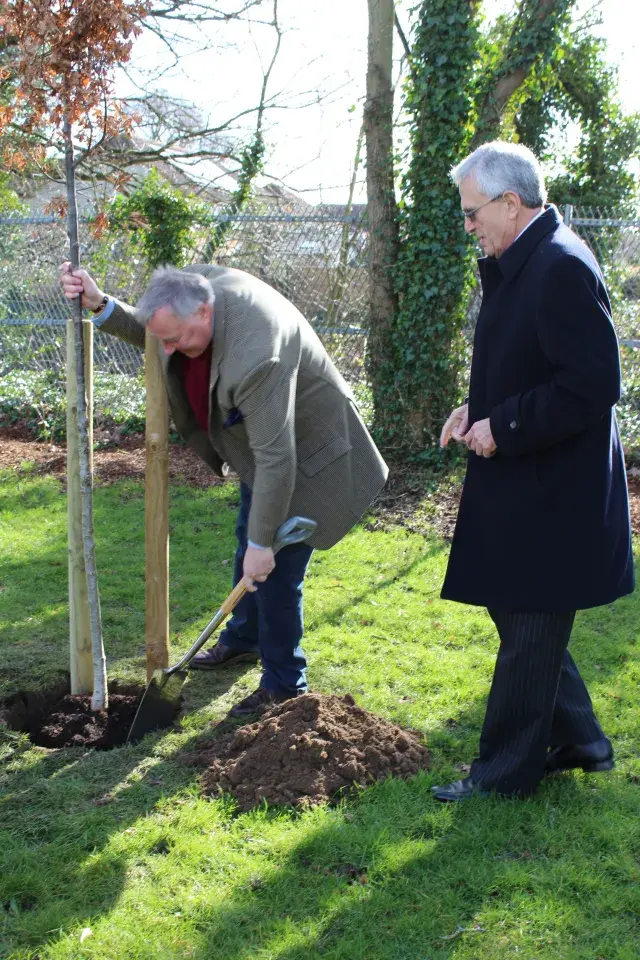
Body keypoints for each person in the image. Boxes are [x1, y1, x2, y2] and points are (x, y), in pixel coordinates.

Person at [60, 261, 388, 716]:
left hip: (311, 456)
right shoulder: (191, 294)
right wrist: (100, 305)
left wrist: (263, 545)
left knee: (274, 570)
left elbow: (278, 461)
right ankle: (243, 638)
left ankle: (284, 685)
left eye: (177, 340)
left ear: (204, 312)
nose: (170, 348)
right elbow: (160, 335)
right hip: (264, 449)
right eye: (166, 339)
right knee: (247, 540)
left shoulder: (257, 353)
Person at [435, 141, 634, 801]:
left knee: (526, 622)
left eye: (472, 214)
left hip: (557, 489)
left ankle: (502, 776)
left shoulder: (558, 266)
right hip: (531, 478)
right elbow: (532, 361)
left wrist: (508, 424)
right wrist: (477, 409)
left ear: (510, 203)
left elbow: (593, 382)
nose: (469, 227)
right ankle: (579, 737)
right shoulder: (524, 261)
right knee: (519, 610)